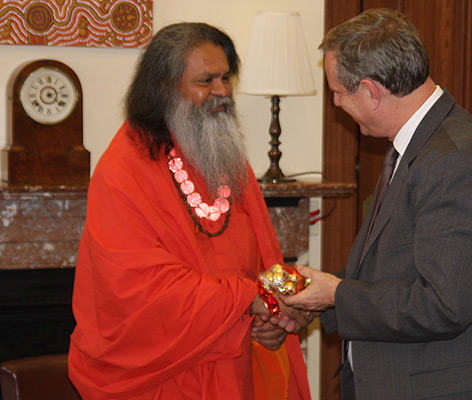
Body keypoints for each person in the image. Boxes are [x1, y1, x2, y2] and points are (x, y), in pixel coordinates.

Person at [281, 8, 472, 400]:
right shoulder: (418, 144)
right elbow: (392, 264)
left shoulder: (455, 161)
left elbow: (444, 304)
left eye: (338, 92)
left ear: (372, 91)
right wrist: (320, 301)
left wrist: (336, 294)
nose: (335, 103)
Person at [68, 22, 311, 400]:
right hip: (160, 380)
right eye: (206, 80)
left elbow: (264, 261)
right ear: (165, 89)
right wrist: (245, 300)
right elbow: (139, 293)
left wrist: (272, 321)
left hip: (233, 372)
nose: (222, 91)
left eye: (227, 78)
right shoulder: (123, 171)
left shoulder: (225, 157)